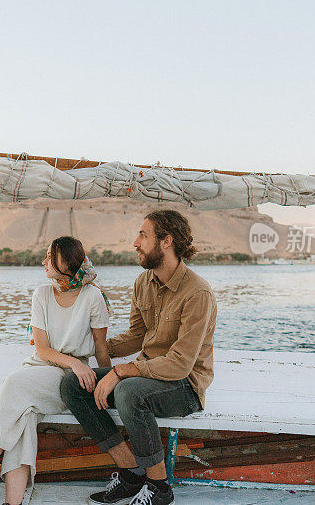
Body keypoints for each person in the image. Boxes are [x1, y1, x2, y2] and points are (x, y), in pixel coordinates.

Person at [0, 236, 112, 505]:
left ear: (65, 261)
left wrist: (107, 381)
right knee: (23, 416)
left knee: (14, 385)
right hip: (40, 370)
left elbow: (100, 346)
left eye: (50, 257)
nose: (44, 261)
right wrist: (73, 362)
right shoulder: (41, 294)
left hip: (68, 381)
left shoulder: (93, 296)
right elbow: (42, 350)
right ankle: (11, 503)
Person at [60, 210, 217, 505]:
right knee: (73, 384)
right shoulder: (143, 282)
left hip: (184, 386)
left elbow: (180, 363)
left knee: (129, 390)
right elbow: (136, 336)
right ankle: (131, 472)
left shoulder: (198, 293)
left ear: (166, 241)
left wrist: (120, 372)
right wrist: (90, 343)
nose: (135, 242)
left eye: (143, 235)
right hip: (146, 376)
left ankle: (159, 486)